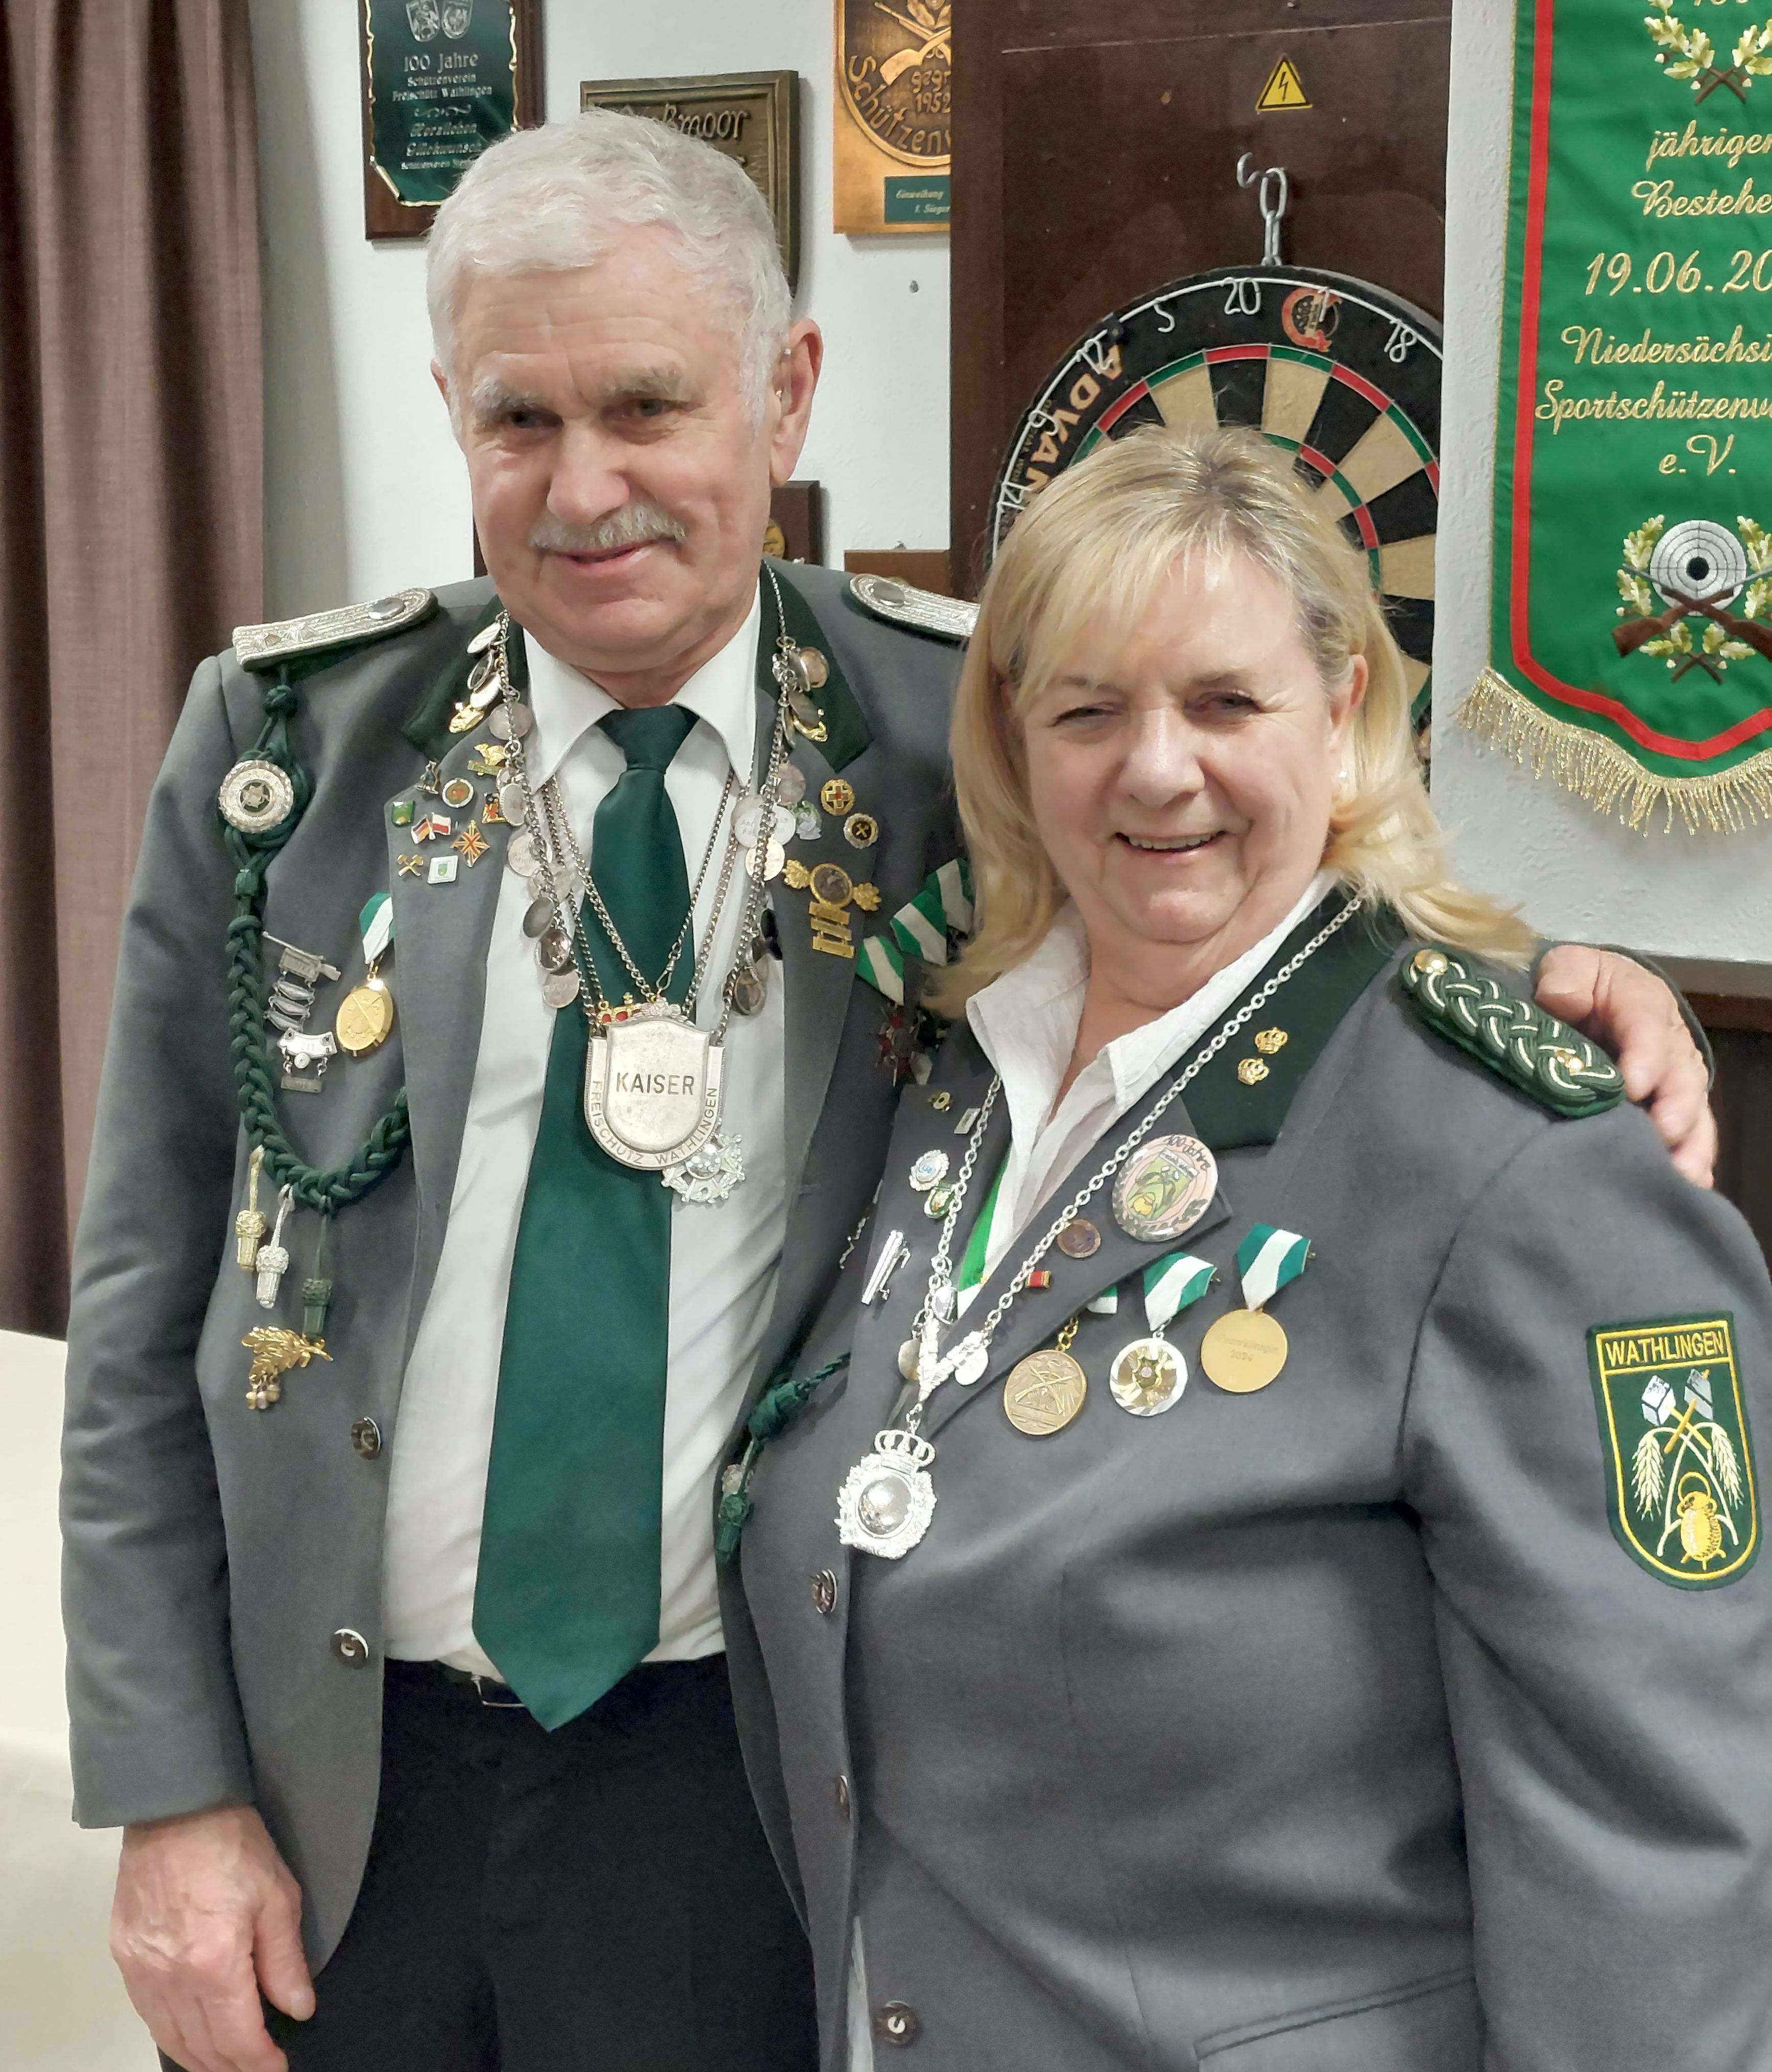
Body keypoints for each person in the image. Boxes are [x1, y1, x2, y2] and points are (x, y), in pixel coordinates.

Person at [59, 108, 1706, 2072]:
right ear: (451, 417)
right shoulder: (291, 754)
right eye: (519, 420)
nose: (585, 487)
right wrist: (169, 1790)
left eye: (647, 407)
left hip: (741, 1786)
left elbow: (1237, 856)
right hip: (333, 1779)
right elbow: (144, 1305)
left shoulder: (957, 721)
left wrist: (1557, 987)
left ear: (784, 392)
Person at [722, 425, 1772, 2072]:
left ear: (1341, 711)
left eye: (1224, 703)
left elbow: (1664, 1842)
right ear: (1012, 737)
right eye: (1087, 711)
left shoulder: (1524, 1161)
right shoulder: (955, 1067)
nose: (1156, 770)